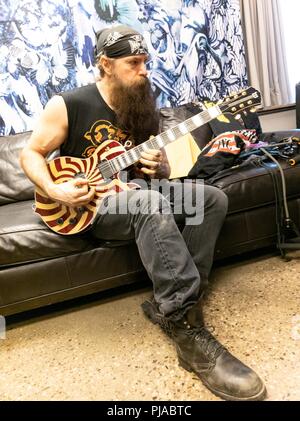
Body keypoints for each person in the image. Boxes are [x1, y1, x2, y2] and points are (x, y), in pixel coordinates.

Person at [20, 24, 266, 401]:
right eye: (134, 63)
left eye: (145, 61)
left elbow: (146, 170)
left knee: (210, 199)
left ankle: (186, 297)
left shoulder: (140, 102)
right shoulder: (69, 104)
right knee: (148, 202)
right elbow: (30, 154)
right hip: (88, 208)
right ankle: (186, 328)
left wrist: (159, 168)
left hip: (130, 193)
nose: (144, 70)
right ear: (105, 64)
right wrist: (56, 189)